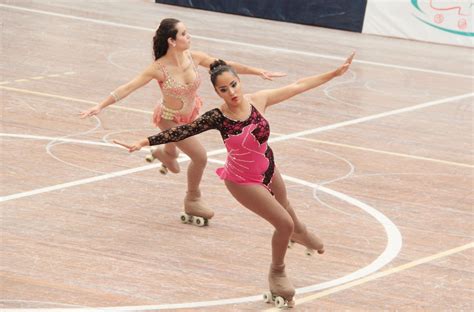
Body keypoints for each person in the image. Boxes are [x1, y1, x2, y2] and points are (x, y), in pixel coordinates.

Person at [114, 52, 355, 307]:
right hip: (242, 179)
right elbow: (182, 130)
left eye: (233, 85)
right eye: (223, 89)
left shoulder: (258, 100)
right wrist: (145, 141)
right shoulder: (218, 116)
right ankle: (277, 271)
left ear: (239, 81)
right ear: (218, 93)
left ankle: (300, 232)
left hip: (269, 167)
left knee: (286, 208)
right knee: (283, 223)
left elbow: (298, 86)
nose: (231, 92)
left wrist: (333, 73)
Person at [79, 18, 285, 225]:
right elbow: (128, 87)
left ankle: (166, 153)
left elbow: (225, 67)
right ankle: (192, 198)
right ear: (172, 41)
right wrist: (100, 105)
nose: (189, 36)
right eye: (184, 34)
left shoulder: (194, 57)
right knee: (200, 157)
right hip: (168, 118)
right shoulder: (158, 68)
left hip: (190, 113)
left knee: (176, 149)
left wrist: (258, 71)